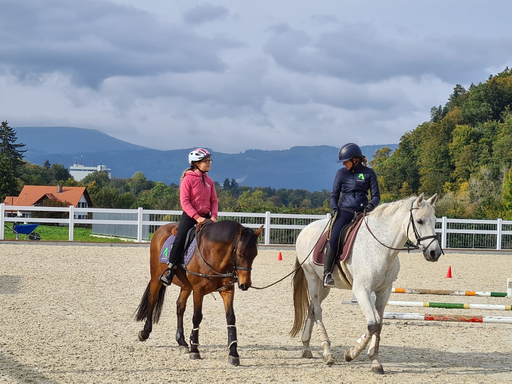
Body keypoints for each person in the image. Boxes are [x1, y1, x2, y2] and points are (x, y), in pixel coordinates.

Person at [323, 143, 380, 288]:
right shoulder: (341, 173)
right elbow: (334, 195)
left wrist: (370, 206)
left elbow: (376, 196)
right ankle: (327, 273)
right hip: (345, 211)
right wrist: (334, 208)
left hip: (363, 212)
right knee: (334, 237)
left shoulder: (369, 173)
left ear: (355, 160)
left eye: (346, 160)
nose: (343, 163)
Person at [159, 148, 218, 286]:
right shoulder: (188, 180)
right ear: (196, 163)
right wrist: (197, 217)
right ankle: (170, 269)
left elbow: (214, 201)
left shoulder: (210, 181)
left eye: (209, 160)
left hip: (207, 217)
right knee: (180, 239)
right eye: (206, 161)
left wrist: (213, 216)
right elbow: (185, 202)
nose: (209, 163)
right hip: (191, 216)